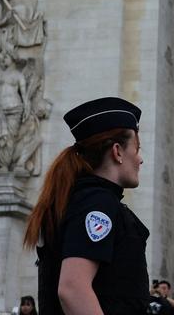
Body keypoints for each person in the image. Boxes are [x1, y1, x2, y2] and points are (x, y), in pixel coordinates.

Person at [25, 96, 148, 315]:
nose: (140, 159)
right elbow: (73, 289)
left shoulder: (84, 200)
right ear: (118, 151)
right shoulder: (96, 204)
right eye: (137, 149)